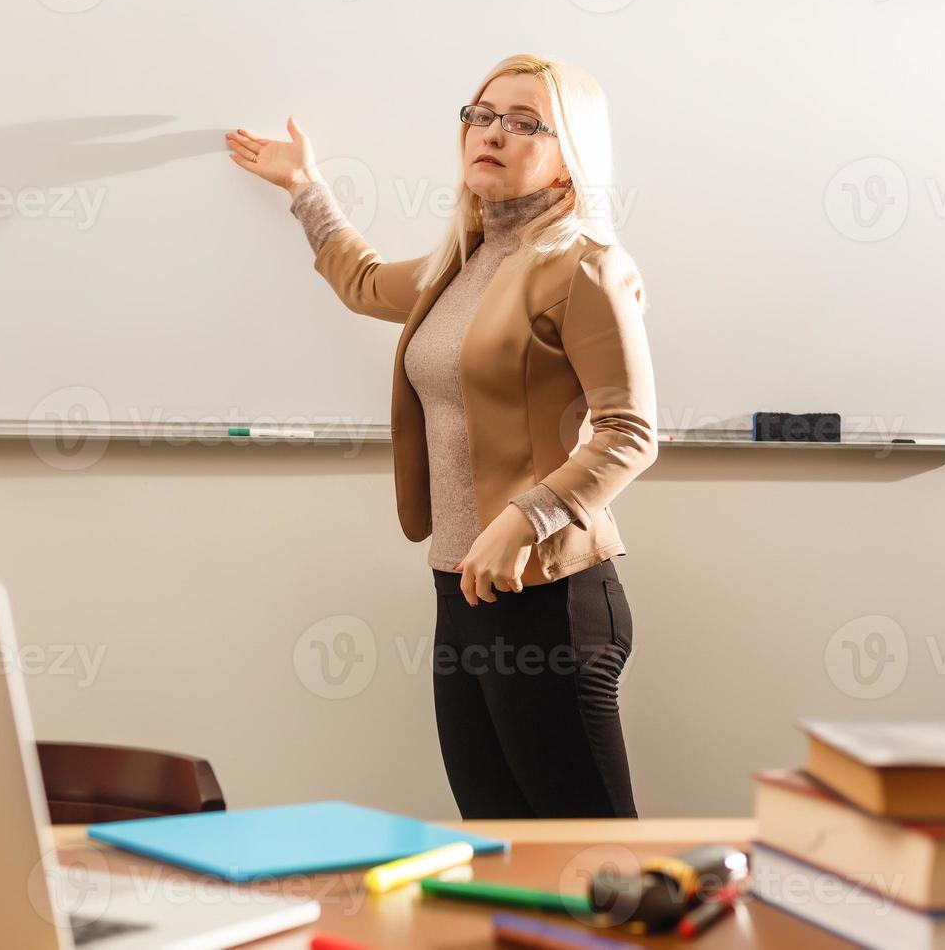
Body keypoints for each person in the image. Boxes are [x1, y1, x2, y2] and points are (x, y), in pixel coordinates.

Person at [225, 54, 657, 818]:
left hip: (548, 591)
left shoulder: (583, 268)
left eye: (524, 121)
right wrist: (303, 188)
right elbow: (362, 281)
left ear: (568, 160)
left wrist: (526, 517)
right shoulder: (464, 261)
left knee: (590, 861)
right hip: (460, 586)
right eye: (481, 114)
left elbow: (629, 432)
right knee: (501, 844)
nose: (491, 132)